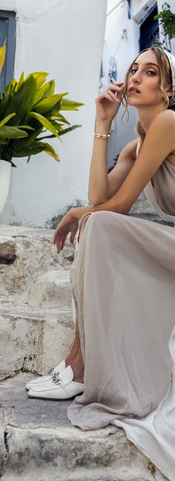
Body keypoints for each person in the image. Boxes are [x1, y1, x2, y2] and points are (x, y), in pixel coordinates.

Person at [26, 45, 175, 480]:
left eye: (150, 72)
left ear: (168, 89)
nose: (136, 77)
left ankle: (81, 363)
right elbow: (99, 198)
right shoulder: (138, 144)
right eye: (133, 69)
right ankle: (80, 359)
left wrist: (80, 214)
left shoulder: (168, 123)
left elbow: (119, 204)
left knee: (100, 225)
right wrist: (102, 122)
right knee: (99, 225)